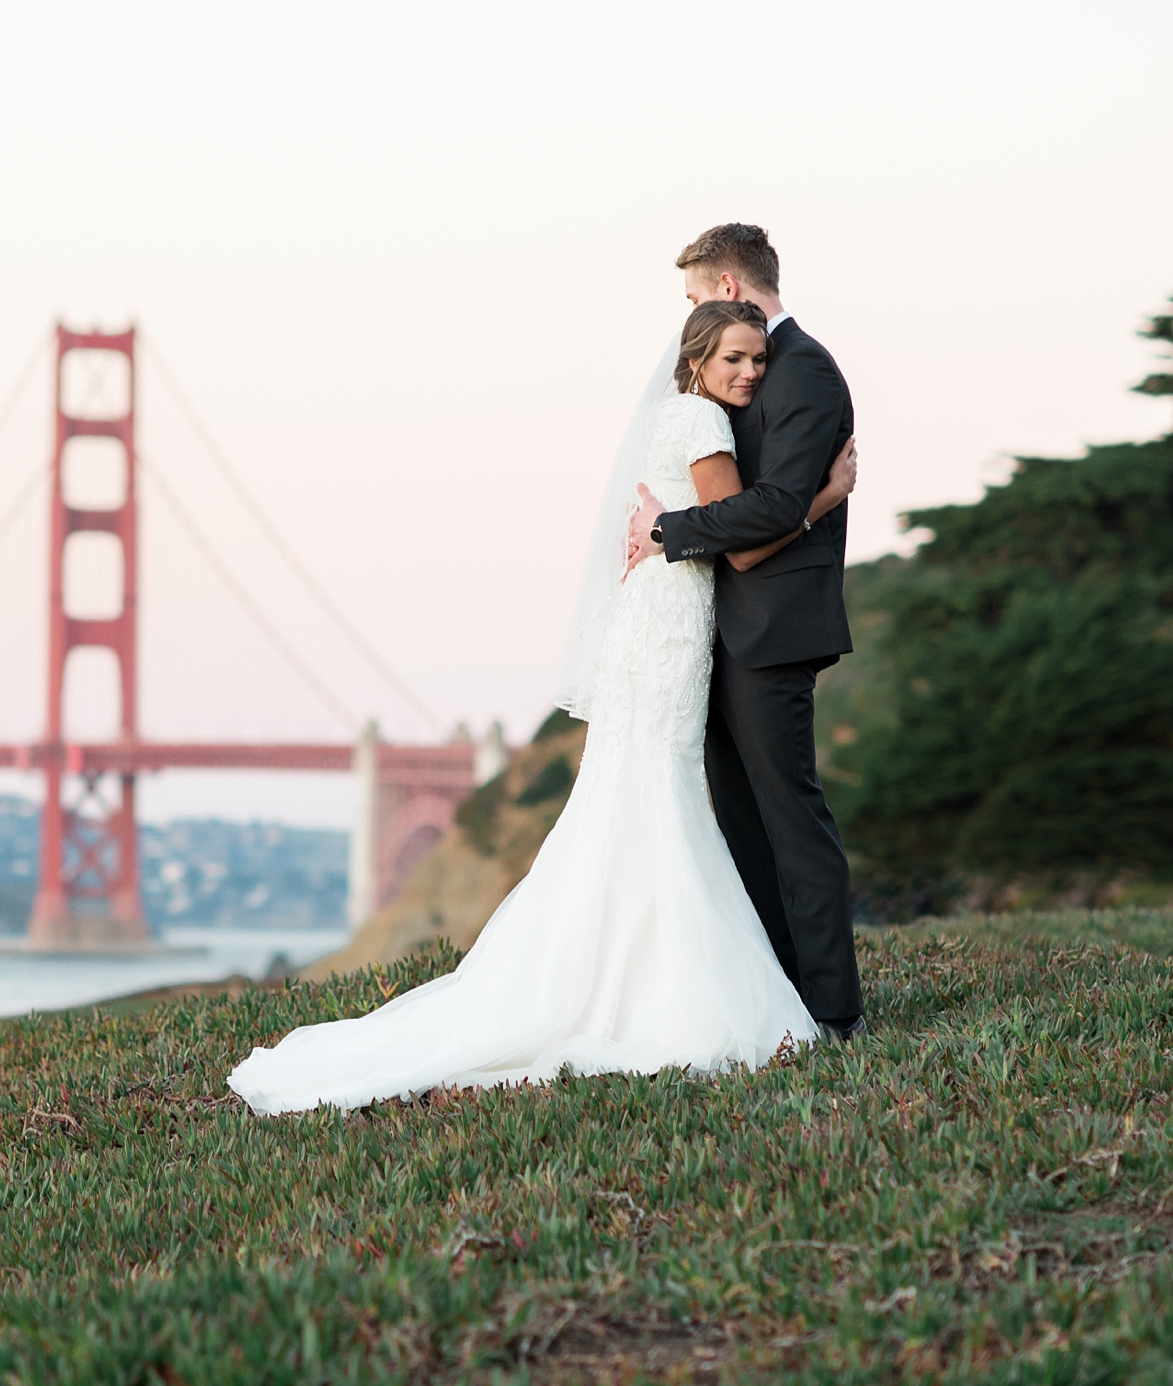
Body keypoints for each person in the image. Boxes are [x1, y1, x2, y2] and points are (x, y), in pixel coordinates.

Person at [228, 295, 856, 1115]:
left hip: (655, 630)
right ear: (697, 360)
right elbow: (744, 547)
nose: (748, 372)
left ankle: (613, 977)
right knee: (658, 803)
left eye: (757, 360)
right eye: (732, 359)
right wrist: (821, 498)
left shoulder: (675, 416)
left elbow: (706, 527)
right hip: (669, 632)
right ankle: (670, 994)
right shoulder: (702, 427)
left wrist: (672, 527)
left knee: (633, 801)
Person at [646, 224, 864, 1042]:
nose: (694, 315)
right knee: (741, 822)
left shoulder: (805, 371)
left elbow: (773, 505)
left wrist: (670, 531)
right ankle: (775, 997)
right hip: (716, 629)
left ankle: (833, 1009)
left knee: (790, 817)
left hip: (774, 627)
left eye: (699, 296)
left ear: (731, 287)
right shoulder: (742, 375)